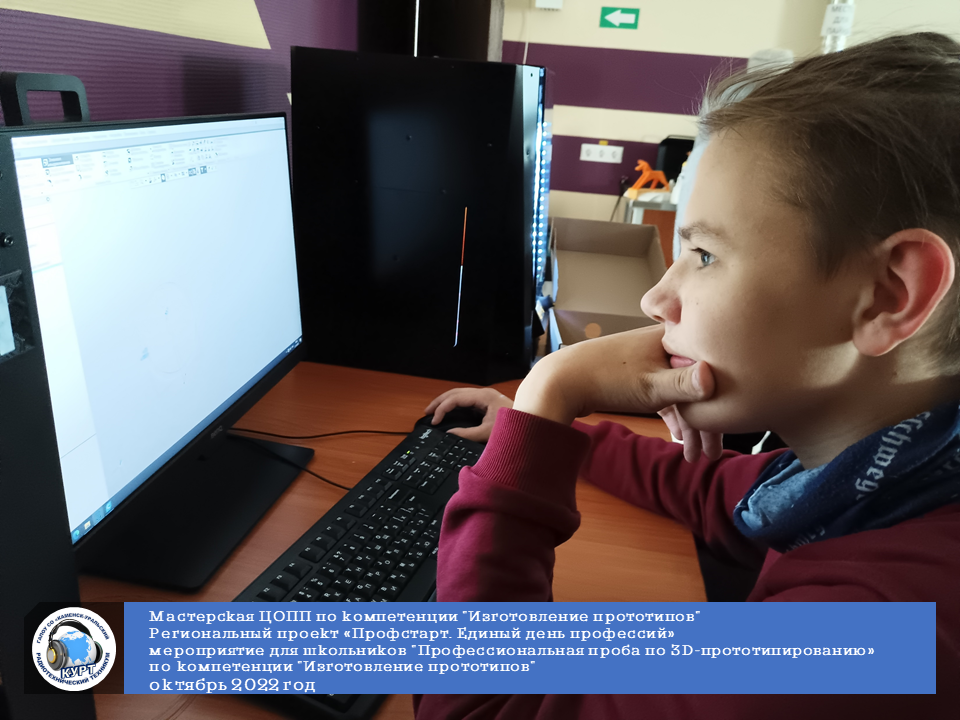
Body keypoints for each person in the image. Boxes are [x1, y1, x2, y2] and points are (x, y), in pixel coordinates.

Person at [413, 33, 960, 719]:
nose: (656, 299)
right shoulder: (892, 473)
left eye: (703, 255)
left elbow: (478, 707)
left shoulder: (879, 635)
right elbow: (710, 491)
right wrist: (537, 430)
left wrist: (548, 393)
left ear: (887, 295)